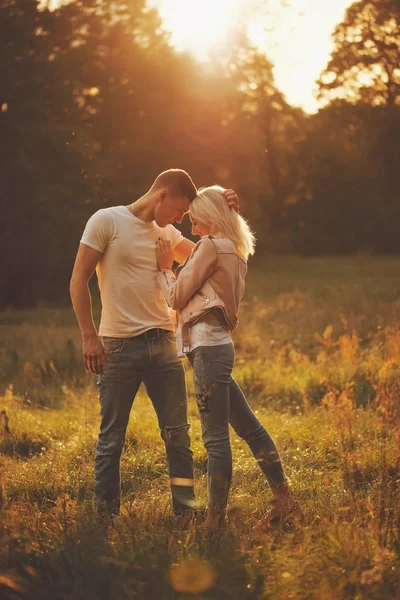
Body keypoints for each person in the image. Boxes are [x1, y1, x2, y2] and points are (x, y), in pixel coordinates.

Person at [70, 169, 238, 517]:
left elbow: (216, 257)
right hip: (117, 346)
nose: (180, 219)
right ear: (162, 195)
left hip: (163, 342)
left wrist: (228, 212)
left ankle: (185, 512)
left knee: (178, 435)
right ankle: (106, 516)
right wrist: (88, 335)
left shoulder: (167, 232)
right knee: (112, 438)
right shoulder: (107, 221)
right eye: (178, 211)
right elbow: (78, 278)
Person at [156, 185, 299, 532]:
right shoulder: (234, 249)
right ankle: (285, 501)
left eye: (193, 219)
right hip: (218, 348)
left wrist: (163, 268)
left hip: (208, 350)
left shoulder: (208, 246)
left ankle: (213, 519)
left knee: (215, 437)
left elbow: (175, 298)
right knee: (250, 428)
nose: (191, 228)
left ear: (208, 215)